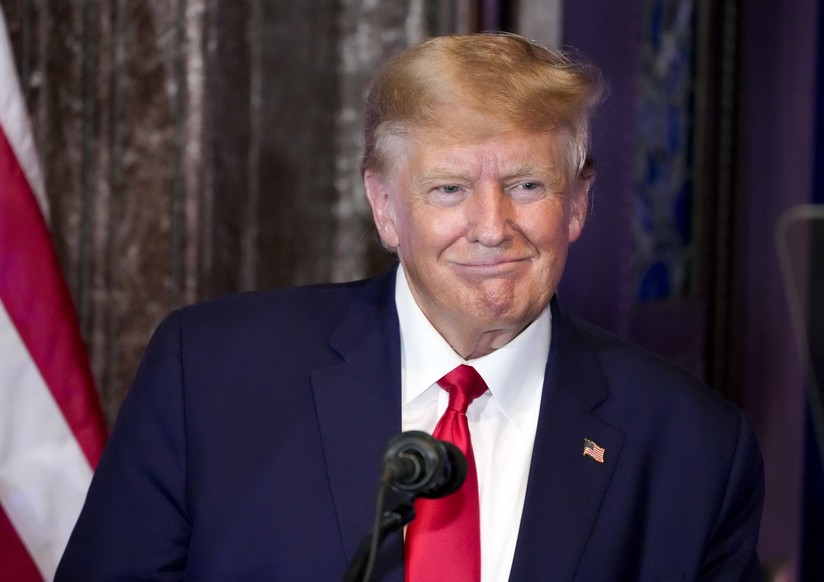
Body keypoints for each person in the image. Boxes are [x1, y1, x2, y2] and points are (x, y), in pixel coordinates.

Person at [56, 32, 763, 581]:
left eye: (525, 186)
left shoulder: (691, 446)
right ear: (384, 208)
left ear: (576, 203)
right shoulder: (210, 376)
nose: (492, 226)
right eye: (448, 189)